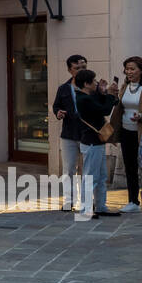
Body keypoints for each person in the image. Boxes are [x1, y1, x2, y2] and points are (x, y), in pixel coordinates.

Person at [108, 56, 142, 212]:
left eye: (132, 68)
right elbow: (119, 107)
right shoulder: (124, 86)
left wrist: (140, 116)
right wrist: (113, 95)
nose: (129, 72)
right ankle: (133, 201)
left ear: (141, 70)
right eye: (127, 69)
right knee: (130, 167)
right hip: (125, 131)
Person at [74, 68, 119, 219]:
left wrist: (103, 92)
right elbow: (105, 110)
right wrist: (110, 95)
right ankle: (86, 209)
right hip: (91, 142)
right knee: (91, 176)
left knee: (101, 176)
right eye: (93, 81)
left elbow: (103, 104)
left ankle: (100, 206)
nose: (96, 82)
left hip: (96, 141)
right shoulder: (82, 99)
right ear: (86, 84)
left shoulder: (88, 96)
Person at [51, 54, 88, 212]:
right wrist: (58, 112)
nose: (81, 71)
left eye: (84, 67)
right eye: (77, 68)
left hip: (87, 134)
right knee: (68, 169)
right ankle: (69, 200)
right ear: (69, 70)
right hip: (69, 134)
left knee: (87, 170)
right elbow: (56, 106)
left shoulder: (92, 86)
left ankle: (87, 201)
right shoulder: (63, 88)